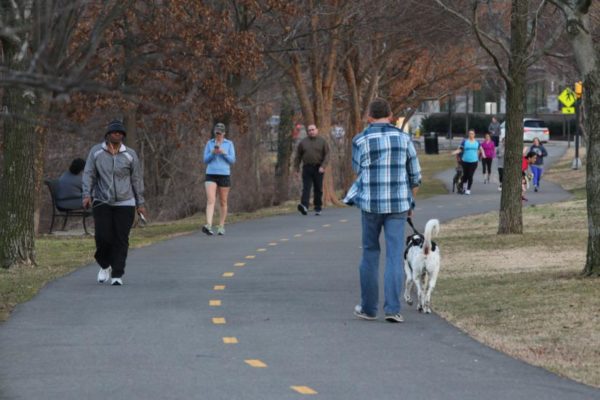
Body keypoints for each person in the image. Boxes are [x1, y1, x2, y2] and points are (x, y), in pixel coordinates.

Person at [344, 98, 421, 323]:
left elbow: (358, 170)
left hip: (371, 204)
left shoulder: (360, 140)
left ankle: (368, 308)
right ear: (390, 115)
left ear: (369, 116)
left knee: (370, 252)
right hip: (398, 204)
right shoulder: (404, 138)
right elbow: (415, 176)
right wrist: (410, 204)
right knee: (395, 255)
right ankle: (392, 309)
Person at [82, 120, 146, 286]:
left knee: (121, 238)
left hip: (125, 202)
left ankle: (117, 273)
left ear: (123, 136)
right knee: (103, 237)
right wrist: (86, 194)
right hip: (102, 200)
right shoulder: (96, 152)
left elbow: (136, 179)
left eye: (120, 133)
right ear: (108, 135)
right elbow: (89, 174)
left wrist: (140, 203)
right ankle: (104, 265)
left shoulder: (130, 154)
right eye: (114, 132)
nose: (117, 135)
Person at [202, 122, 236, 236]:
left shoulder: (229, 144)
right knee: (211, 200)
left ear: (224, 133)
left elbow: (232, 160)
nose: (218, 135)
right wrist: (212, 153)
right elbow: (205, 160)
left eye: (220, 133)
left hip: (224, 174)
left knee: (223, 201)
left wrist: (223, 153)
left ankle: (221, 225)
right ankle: (208, 225)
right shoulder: (209, 143)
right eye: (217, 133)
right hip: (211, 173)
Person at [294, 124, 330, 216]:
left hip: (319, 168)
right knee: (306, 188)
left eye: (313, 130)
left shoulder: (322, 141)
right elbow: (298, 157)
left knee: (318, 188)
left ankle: (318, 207)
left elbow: (327, 155)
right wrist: (296, 169)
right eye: (309, 130)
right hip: (307, 168)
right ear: (307, 132)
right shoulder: (303, 142)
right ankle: (304, 206)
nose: (311, 131)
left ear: (316, 130)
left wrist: (323, 166)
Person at [452, 129, 485, 195]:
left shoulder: (477, 142)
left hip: (474, 161)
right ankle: (464, 186)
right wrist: (454, 152)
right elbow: (460, 149)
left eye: (472, 133)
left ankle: (468, 189)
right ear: (468, 134)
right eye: (470, 133)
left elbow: (481, 148)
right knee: (465, 175)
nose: (471, 135)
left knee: (470, 175)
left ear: (474, 134)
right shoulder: (465, 142)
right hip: (465, 161)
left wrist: (483, 154)